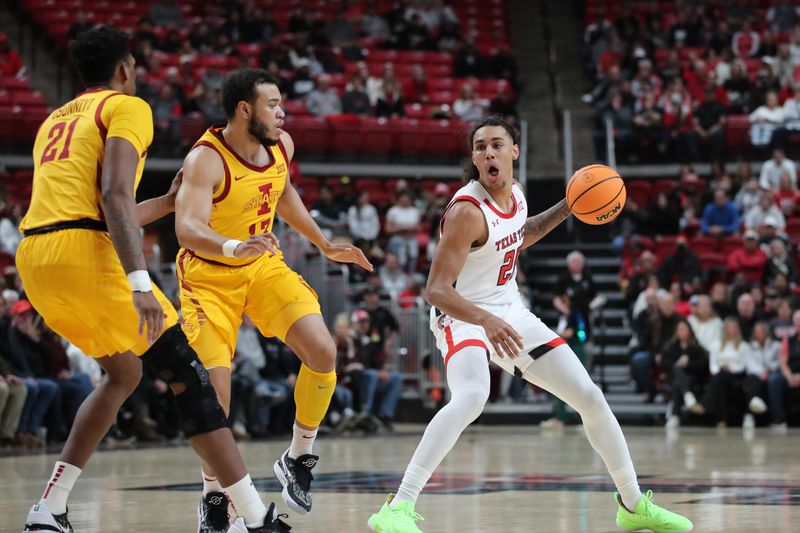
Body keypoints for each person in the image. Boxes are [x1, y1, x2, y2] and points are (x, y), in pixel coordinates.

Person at [15, 28, 289, 533]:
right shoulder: (126, 107)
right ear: (125, 69)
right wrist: (141, 281)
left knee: (124, 373)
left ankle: (48, 509)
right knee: (191, 375)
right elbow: (115, 196)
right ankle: (255, 518)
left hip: (37, 258)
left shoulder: (55, 119)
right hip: (85, 257)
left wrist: (165, 203)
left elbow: (92, 210)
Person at [367, 115, 692, 533]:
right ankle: (397, 505)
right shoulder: (467, 211)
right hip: (461, 314)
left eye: (497, 144)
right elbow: (436, 290)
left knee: (590, 397)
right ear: (474, 157)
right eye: (480, 146)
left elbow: (522, 232)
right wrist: (485, 320)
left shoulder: (516, 195)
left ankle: (632, 506)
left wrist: (571, 205)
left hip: (508, 310)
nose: (488, 152)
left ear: (514, 151)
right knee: (471, 397)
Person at [173, 68, 373, 527]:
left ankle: (298, 457)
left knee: (323, 350)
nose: (283, 114)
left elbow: (281, 193)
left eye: (282, 104)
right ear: (244, 110)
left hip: (261, 265)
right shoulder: (206, 159)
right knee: (215, 399)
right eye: (273, 105)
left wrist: (324, 242)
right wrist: (232, 246)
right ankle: (213, 498)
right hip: (208, 277)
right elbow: (186, 228)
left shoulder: (281, 146)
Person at [692, 318, 751, 428]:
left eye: (733, 328)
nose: (730, 331)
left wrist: (731, 368)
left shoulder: (743, 346)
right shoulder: (716, 345)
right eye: (728, 328)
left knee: (719, 380)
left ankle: (705, 404)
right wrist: (720, 368)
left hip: (736, 377)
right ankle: (722, 420)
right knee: (719, 381)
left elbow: (744, 365)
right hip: (719, 376)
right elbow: (713, 364)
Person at [663, 319, 709, 429]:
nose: (682, 332)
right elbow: (664, 363)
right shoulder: (671, 346)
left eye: (684, 329)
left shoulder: (696, 347)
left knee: (677, 384)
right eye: (679, 330)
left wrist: (687, 364)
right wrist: (678, 362)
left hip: (693, 378)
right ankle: (688, 395)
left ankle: (674, 415)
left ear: (689, 331)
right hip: (674, 377)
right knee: (676, 370)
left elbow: (702, 365)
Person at [742, 321, 779, 428]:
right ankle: (753, 408)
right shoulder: (751, 346)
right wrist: (761, 372)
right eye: (756, 332)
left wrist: (768, 370)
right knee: (751, 381)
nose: (759, 334)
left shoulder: (775, 345)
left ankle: (749, 413)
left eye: (761, 331)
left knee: (768, 381)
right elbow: (750, 364)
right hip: (756, 374)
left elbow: (778, 362)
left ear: (766, 332)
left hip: (771, 374)